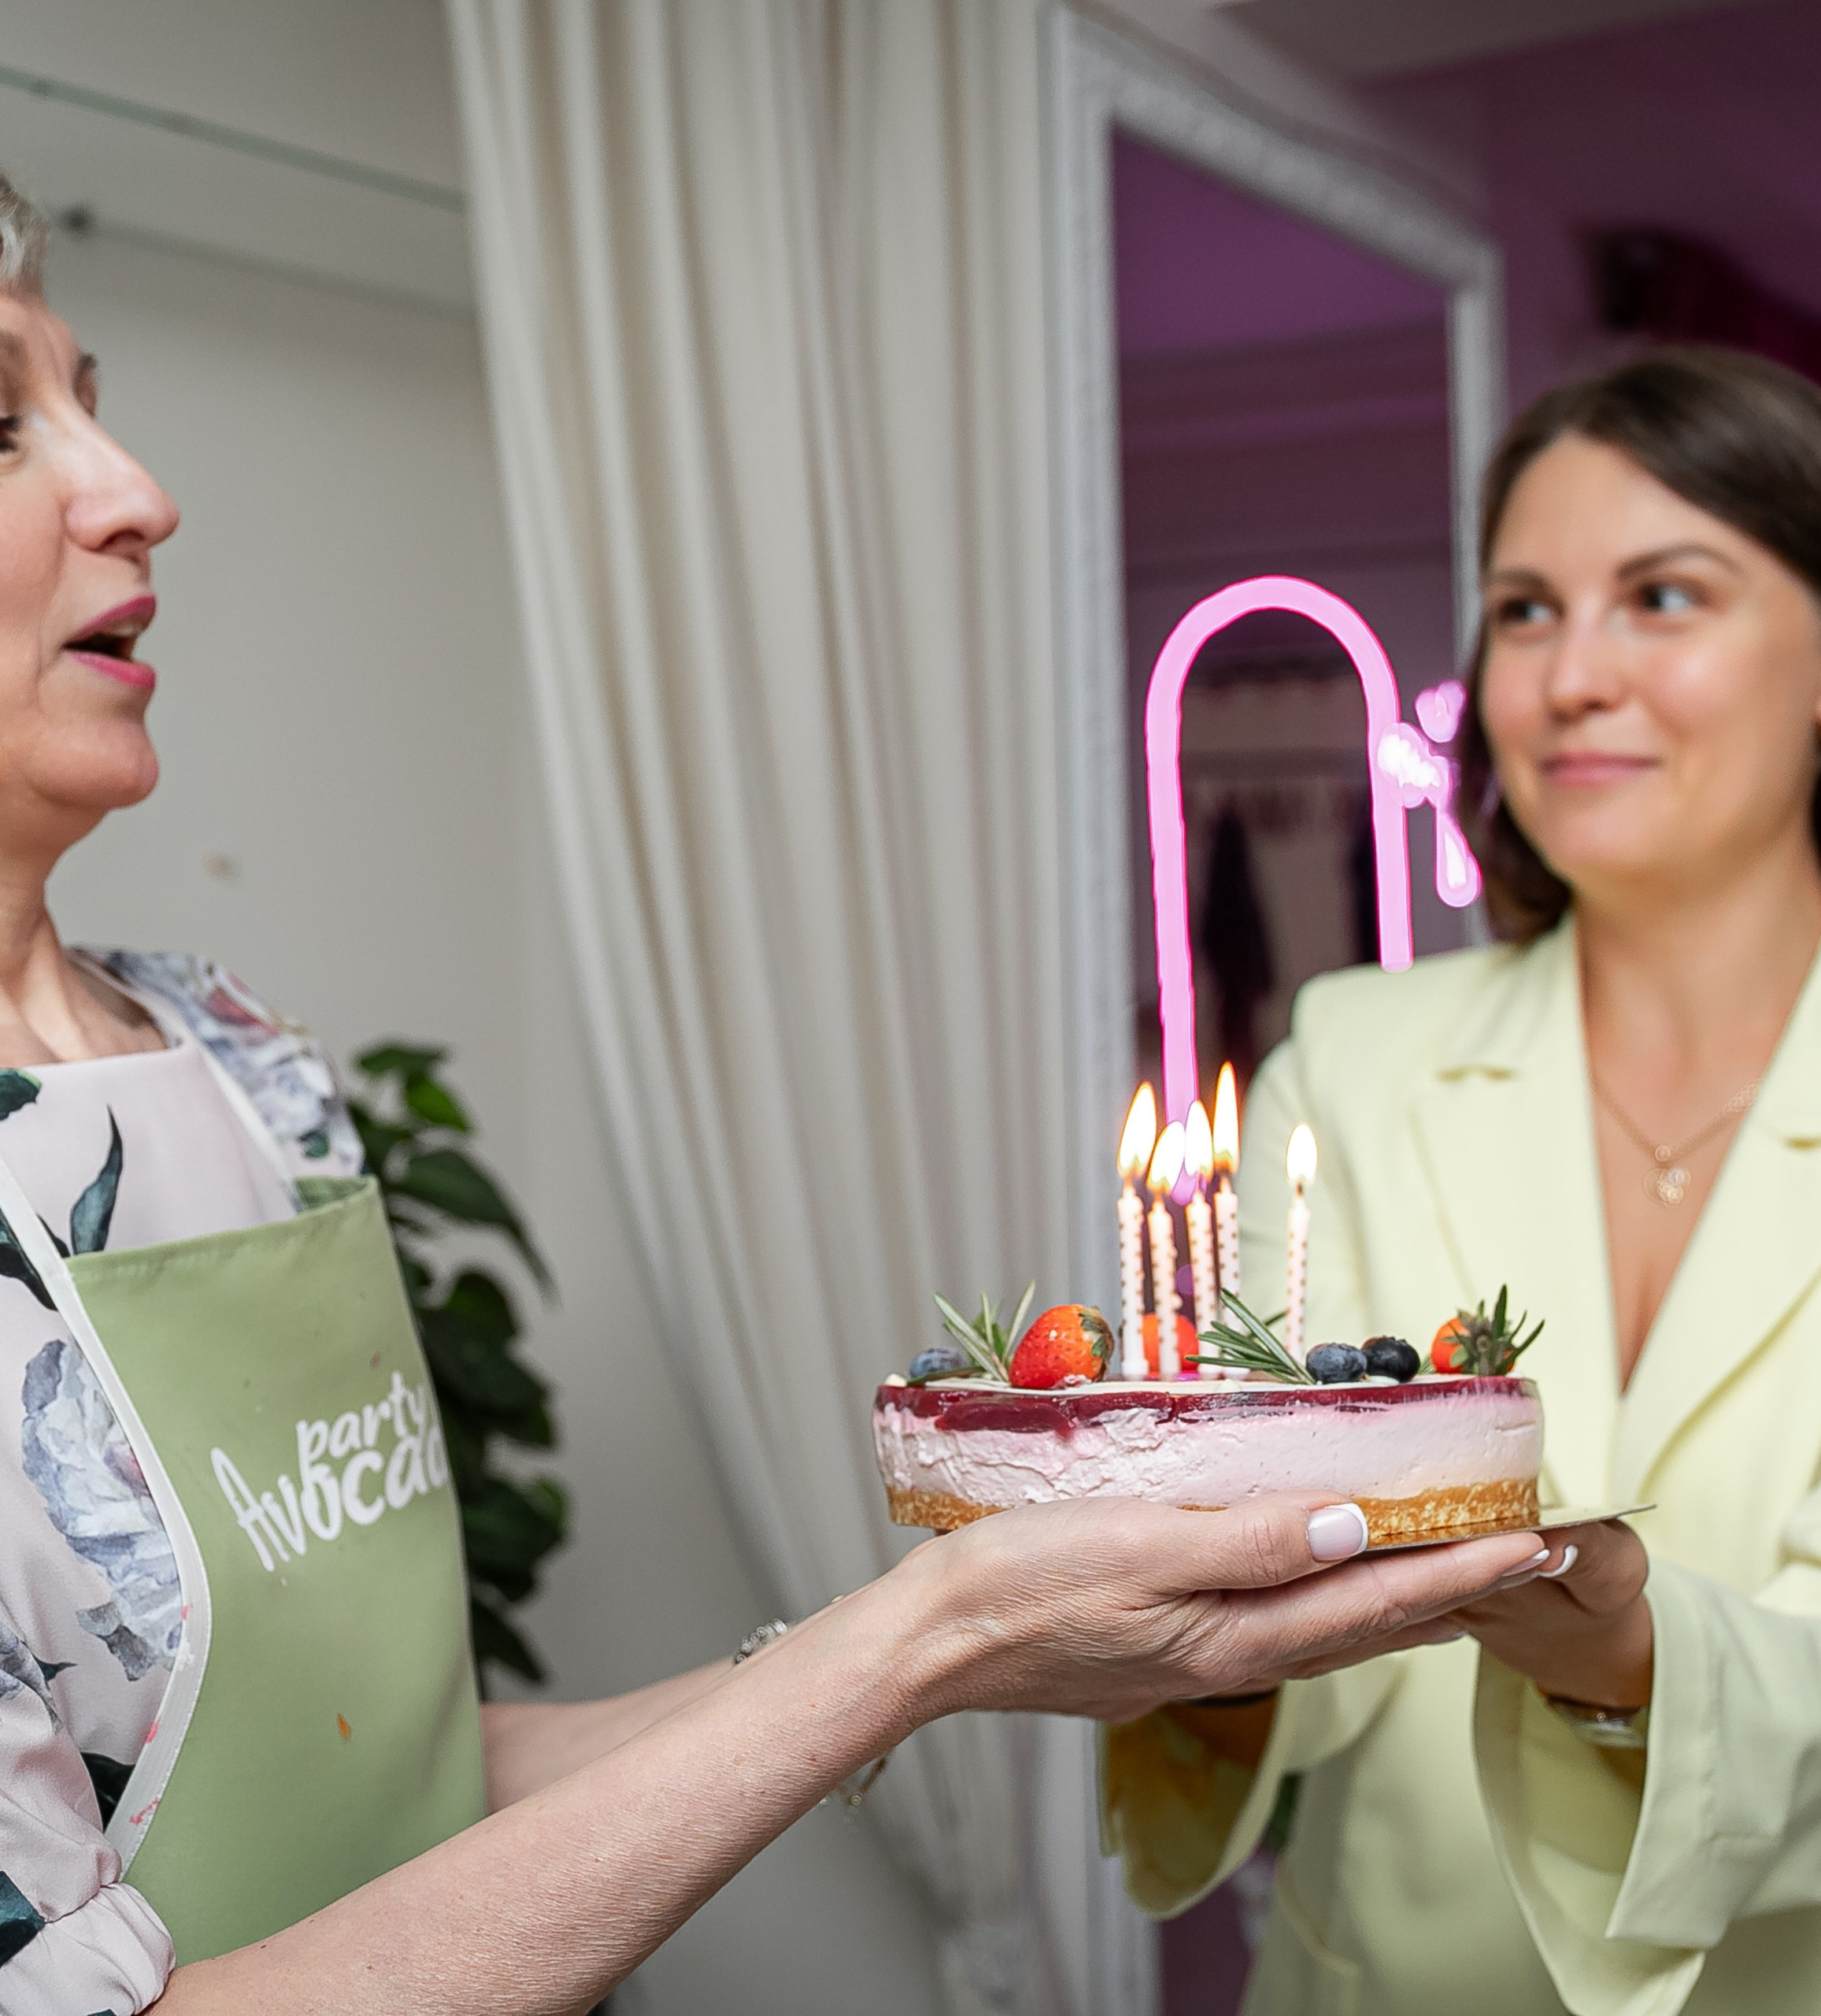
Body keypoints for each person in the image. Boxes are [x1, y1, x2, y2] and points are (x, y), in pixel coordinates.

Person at [0, 174, 1560, 2016]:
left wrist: (959, 1651)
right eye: (6, 423)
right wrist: (925, 1635)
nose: (135, 486)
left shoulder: (239, 1049)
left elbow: (393, 1782)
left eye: (94, 391)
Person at [1105, 347, 1821, 2014]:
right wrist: (1161, 1625)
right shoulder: (1352, 1062)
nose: (1565, 676)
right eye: (1521, 610)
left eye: (1659, 596)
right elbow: (1272, 1629)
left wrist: (1613, 1647)